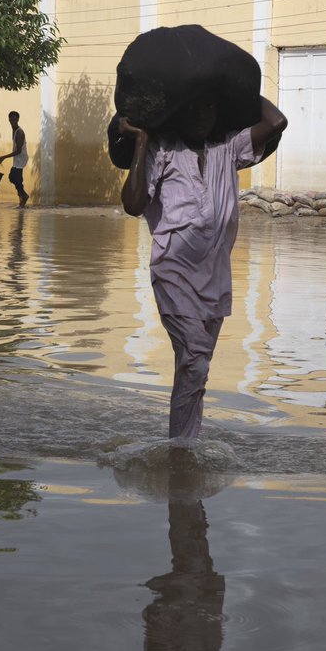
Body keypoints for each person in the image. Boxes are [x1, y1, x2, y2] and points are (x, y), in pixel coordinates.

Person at [119, 95, 288, 439]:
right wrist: (141, 141)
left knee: (194, 370)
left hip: (215, 279)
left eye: (209, 107)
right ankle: (181, 453)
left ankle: (183, 453)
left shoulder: (228, 149)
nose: (201, 117)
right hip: (173, 274)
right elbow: (133, 204)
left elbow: (276, 123)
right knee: (195, 360)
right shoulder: (163, 151)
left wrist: (236, 84)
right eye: (194, 107)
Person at [0, 111, 30, 208]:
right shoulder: (14, 130)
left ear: (18, 120)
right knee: (13, 177)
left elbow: (18, 150)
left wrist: (3, 157)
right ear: (9, 120)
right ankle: (22, 198)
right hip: (17, 158)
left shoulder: (19, 132)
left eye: (15, 119)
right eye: (11, 119)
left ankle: (23, 197)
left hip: (21, 158)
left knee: (16, 178)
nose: (13, 121)